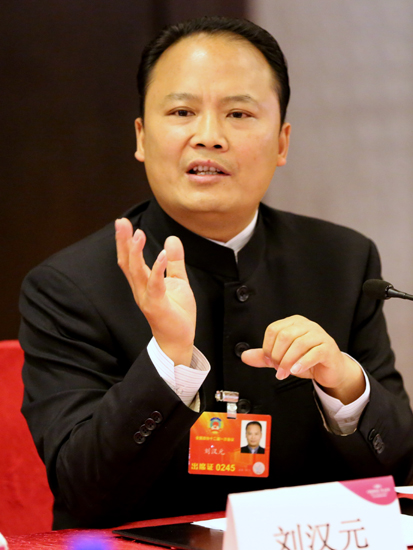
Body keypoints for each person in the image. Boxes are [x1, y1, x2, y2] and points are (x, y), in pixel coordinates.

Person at [19, 16, 413, 530]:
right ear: (141, 136)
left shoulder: (343, 260)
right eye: (182, 111)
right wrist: (168, 360)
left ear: (282, 143)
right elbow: (84, 494)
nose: (209, 137)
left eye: (239, 113)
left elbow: (399, 474)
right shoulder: (68, 287)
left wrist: (344, 385)